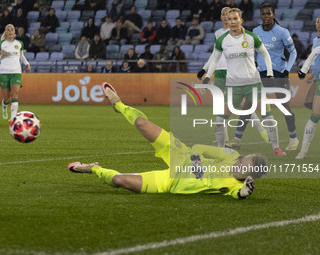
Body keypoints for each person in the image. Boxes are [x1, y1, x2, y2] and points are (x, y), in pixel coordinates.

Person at [68, 82, 266, 199]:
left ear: (250, 176)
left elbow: (237, 194)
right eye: (242, 161)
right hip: (182, 155)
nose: (238, 165)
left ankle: (93, 168)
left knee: (119, 180)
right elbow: (198, 148)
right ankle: (118, 104)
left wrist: (244, 193)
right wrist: (196, 161)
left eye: (243, 168)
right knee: (141, 124)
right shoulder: (230, 156)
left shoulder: (234, 186)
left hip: (171, 183)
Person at [202, 8, 286, 156]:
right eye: (229, 19)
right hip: (234, 87)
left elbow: (265, 54)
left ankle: (276, 148)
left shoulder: (252, 37)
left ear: (241, 20)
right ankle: (221, 150)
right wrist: (208, 77)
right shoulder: (223, 40)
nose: (232, 22)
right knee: (220, 120)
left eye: (235, 19)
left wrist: (270, 73)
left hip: (254, 85)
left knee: (268, 117)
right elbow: (214, 59)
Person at [226, 3, 298, 151]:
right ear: (260, 15)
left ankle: (293, 137)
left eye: (268, 14)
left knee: (284, 106)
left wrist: (287, 70)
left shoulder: (282, 32)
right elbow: (252, 52)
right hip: (260, 73)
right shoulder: (256, 31)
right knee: (248, 105)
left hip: (278, 72)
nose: (266, 17)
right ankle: (237, 139)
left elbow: (293, 52)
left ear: (274, 15)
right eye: (263, 14)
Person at [198, 7, 269, 144]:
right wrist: (205, 69)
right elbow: (215, 54)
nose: (225, 17)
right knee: (221, 107)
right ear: (221, 17)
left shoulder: (240, 33)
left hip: (234, 73)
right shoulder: (219, 33)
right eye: (223, 15)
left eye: (228, 15)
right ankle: (223, 139)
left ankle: (262, 130)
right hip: (219, 71)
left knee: (244, 105)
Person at [0, 24, 30, 120]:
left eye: (12, 29)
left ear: (14, 32)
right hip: (3, 73)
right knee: (7, 99)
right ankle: (4, 106)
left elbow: (21, 55)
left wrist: (26, 63)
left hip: (16, 72)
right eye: (8, 30)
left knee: (15, 95)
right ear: (5, 32)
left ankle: (13, 119)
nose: (10, 31)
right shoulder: (0, 44)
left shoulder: (19, 43)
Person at [296, 17, 320, 159]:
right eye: (317, 21)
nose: (319, 24)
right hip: (318, 78)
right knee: (310, 108)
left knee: (314, 115)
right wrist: (312, 74)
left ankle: (303, 151)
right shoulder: (316, 40)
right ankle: (303, 151)